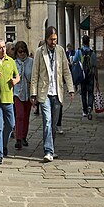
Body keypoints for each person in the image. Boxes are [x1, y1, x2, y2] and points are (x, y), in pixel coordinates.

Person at [31, 26, 74, 162]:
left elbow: (66, 71)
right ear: (46, 39)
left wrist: (71, 89)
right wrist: (33, 93)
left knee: (54, 124)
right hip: (44, 92)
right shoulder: (39, 52)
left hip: (57, 92)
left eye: (55, 39)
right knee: (47, 121)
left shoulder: (61, 51)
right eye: (51, 39)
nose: (53, 42)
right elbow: (35, 73)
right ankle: (48, 151)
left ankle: (51, 148)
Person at [12, 41, 35, 151]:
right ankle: (18, 138)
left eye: (24, 51)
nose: (22, 54)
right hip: (17, 92)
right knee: (20, 115)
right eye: (20, 52)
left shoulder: (31, 62)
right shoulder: (14, 63)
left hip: (29, 92)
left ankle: (24, 136)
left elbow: (34, 77)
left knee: (26, 116)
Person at [76, 36, 97, 121]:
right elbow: (95, 67)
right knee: (91, 92)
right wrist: (97, 80)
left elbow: (74, 61)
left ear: (82, 42)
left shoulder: (78, 52)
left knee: (83, 93)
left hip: (82, 76)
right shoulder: (93, 53)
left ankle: (84, 110)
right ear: (89, 42)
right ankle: (89, 107)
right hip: (91, 75)